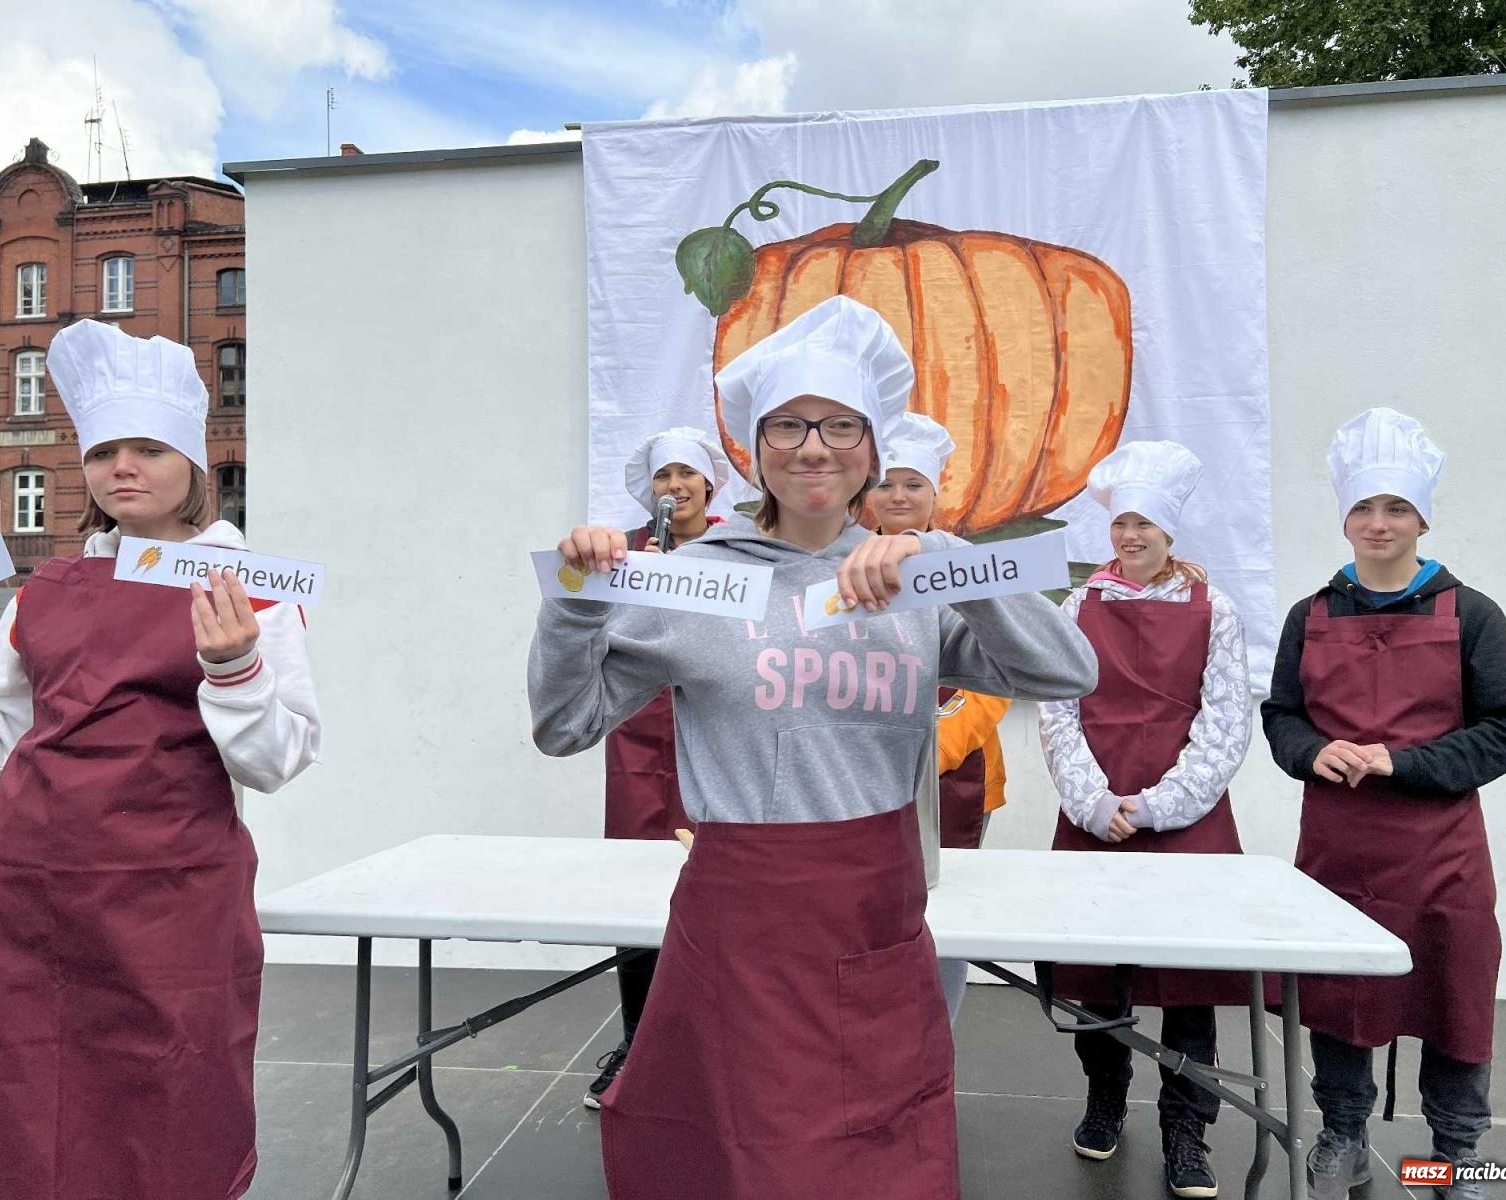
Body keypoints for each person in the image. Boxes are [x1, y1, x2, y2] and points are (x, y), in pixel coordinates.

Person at [529, 295, 1098, 1200]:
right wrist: (572, 606)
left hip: (874, 911)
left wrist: (948, 561)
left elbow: (1070, 671)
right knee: (744, 1151)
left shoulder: (913, 577)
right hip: (737, 921)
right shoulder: (697, 581)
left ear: (874, 448)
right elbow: (564, 725)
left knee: (881, 1147)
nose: (814, 446)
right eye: (789, 426)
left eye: (841, 426)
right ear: (756, 451)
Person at [0, 319, 321, 1199]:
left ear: (192, 466)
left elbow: (279, 757)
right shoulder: (46, 588)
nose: (123, 468)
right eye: (104, 451)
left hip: (169, 896)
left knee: (168, 1097)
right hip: (32, 893)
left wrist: (234, 669)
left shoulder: (247, 585)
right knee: (25, 1094)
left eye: (149, 450)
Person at [1261, 408, 1506, 1200]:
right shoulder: (1309, 616)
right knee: (1341, 999)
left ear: (1422, 518)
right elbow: (1280, 719)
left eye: (1396, 509)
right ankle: (1341, 1135)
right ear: (1344, 517)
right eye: (1365, 508)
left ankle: (1456, 1155)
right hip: (1339, 851)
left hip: (1441, 852)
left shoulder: (1473, 615)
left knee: (1454, 998)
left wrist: (1401, 760)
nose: (1379, 524)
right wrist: (1314, 751)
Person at [1038, 440, 1252, 1200]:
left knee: (1188, 985)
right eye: (1121, 524)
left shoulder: (1213, 608)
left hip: (1184, 816)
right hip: (1096, 812)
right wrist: (1093, 801)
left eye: (1144, 526)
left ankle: (1186, 1131)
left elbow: (1227, 721)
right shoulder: (1078, 605)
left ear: (1170, 533)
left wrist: (1162, 803)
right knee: (1099, 976)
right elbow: (1058, 709)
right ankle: (1104, 1094)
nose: (1129, 537)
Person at [584, 426, 729, 1109]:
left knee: (721, 884)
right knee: (634, 888)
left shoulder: (740, 549)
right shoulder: (624, 553)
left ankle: (717, 1043)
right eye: (663, 477)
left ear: (710, 483)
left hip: (723, 730)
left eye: (686, 475)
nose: (675, 487)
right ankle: (637, 1037)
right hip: (642, 736)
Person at [867, 411, 1011, 1024]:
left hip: (954, 776)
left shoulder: (963, 566)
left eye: (913, 485)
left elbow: (992, 681)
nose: (899, 497)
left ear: (935, 494)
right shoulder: (842, 566)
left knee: (945, 925)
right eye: (888, 483)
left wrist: (920, 748)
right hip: (862, 776)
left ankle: (938, 1049)